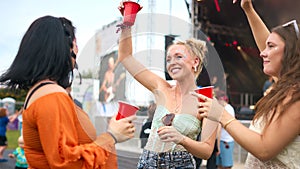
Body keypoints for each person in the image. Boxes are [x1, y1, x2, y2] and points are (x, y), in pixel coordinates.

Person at [0, 15, 136, 168]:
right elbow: (67, 163)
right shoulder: (52, 96)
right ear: (63, 48)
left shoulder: (45, 91)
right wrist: (112, 136)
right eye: (74, 43)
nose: (77, 51)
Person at [193, 0, 300, 168]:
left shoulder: (296, 96)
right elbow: (268, 44)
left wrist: (221, 115)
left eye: (270, 47)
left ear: (290, 53)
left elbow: (264, 150)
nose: (262, 53)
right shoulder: (285, 86)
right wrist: (248, 9)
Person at [118, 2, 218, 168]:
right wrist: (127, 23)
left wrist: (181, 139)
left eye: (178, 57)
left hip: (181, 164)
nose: (172, 63)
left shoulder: (206, 100)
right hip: (148, 162)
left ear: (195, 62)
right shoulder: (161, 88)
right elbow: (126, 57)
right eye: (168, 59)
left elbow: (207, 151)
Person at [215, 93, 235, 169]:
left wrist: (218, 146)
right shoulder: (225, 108)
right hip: (222, 140)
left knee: (226, 166)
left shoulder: (228, 109)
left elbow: (220, 126)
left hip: (226, 141)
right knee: (220, 165)